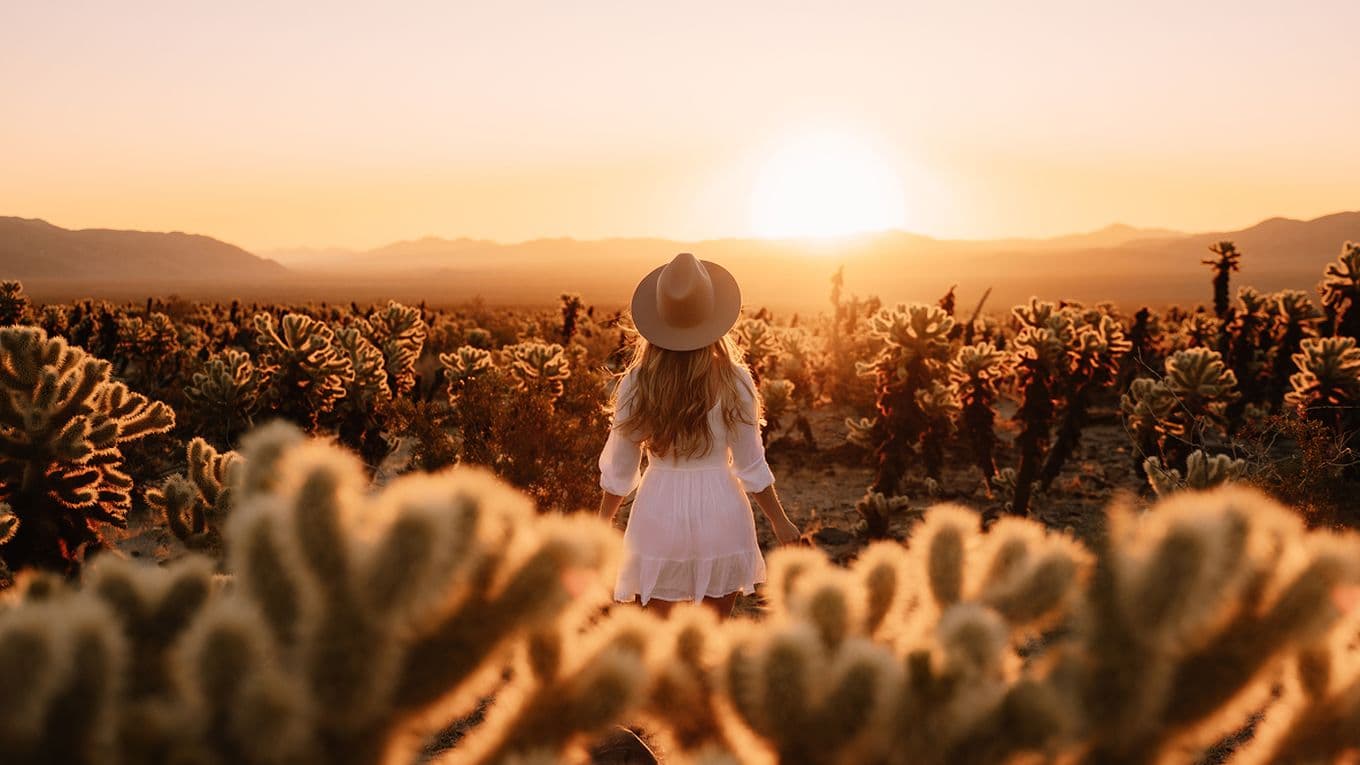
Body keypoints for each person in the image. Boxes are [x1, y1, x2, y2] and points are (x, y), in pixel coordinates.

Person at [597, 252, 801, 620]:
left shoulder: (638, 382)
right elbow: (750, 465)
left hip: (658, 515)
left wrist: (602, 522)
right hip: (721, 514)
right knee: (710, 638)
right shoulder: (734, 379)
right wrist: (779, 521)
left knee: (660, 644)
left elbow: (620, 469)